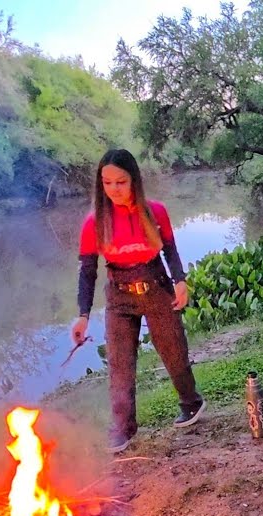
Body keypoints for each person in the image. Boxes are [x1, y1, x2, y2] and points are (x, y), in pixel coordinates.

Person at [70, 149, 205, 453]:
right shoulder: (95, 223)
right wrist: (82, 315)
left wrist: (180, 281)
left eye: (121, 182)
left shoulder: (155, 211)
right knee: (119, 363)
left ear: (134, 180)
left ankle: (191, 402)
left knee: (173, 351)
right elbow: (88, 271)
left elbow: (170, 249)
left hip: (156, 286)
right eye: (107, 183)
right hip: (119, 295)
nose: (114, 189)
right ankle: (123, 427)